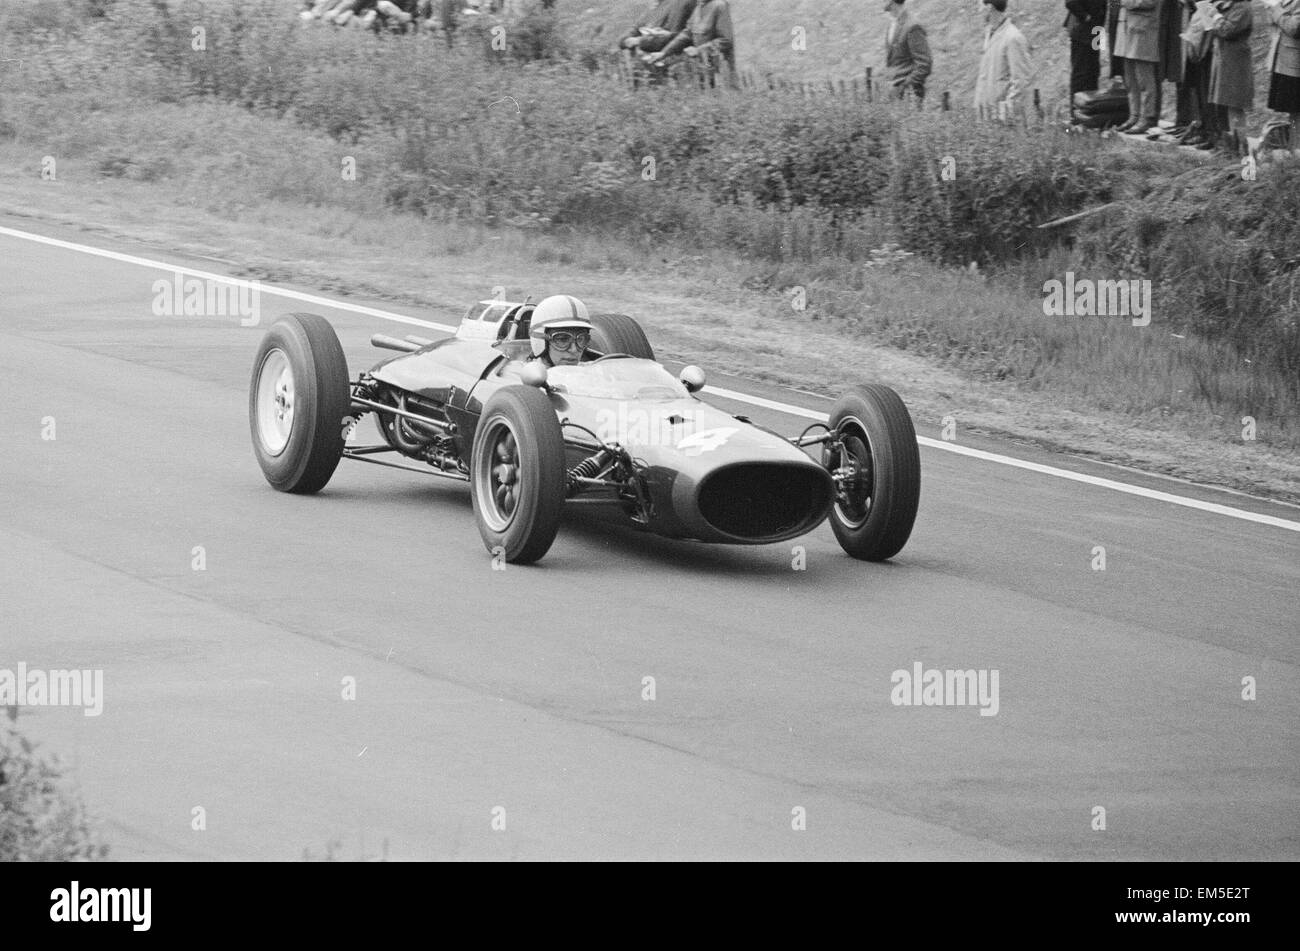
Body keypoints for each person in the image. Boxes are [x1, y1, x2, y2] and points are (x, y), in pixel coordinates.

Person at [645, 0, 736, 88]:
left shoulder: (720, 5)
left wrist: (698, 50)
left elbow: (726, 40)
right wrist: (663, 53)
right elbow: (687, 34)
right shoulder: (699, 6)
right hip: (702, 69)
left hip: (719, 73)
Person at [1207, 0, 1254, 155]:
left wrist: (1214, 16)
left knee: (1234, 105)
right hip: (1224, 58)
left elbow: (1227, 30)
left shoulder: (1243, 7)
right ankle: (1229, 146)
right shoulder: (1228, 5)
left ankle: (1239, 147)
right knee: (1223, 103)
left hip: (1235, 62)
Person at [974, 0, 1033, 121]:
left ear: (989, 7)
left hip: (1002, 122)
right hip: (986, 116)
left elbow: (1021, 81)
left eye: (980, 6)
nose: (978, 11)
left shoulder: (1013, 38)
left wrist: (1006, 114)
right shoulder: (990, 34)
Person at [1114, 0, 1160, 133]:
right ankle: (1134, 115)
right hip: (1126, 29)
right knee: (1130, 78)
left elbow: (1150, 2)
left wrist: (1126, 2)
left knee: (1144, 78)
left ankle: (1146, 117)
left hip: (1143, 30)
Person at [1263, 0, 1300, 155]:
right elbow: (1275, 25)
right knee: (1292, 109)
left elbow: (1294, 28)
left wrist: (1276, 8)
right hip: (1285, 61)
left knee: (1296, 109)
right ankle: (1294, 148)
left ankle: (1296, 148)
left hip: (1295, 63)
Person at [884, 0, 933, 105]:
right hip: (895, 94)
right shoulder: (893, 24)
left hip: (909, 96)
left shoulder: (913, 26)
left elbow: (924, 65)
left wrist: (904, 87)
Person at [529, 296, 595, 367]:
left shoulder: (592, 371)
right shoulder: (520, 374)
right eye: (563, 339)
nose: (574, 350)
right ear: (541, 341)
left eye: (581, 339)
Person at [618, 0, 697, 55]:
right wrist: (625, 39)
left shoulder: (681, 3)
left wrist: (639, 41)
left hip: (671, 57)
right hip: (654, 57)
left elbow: (671, 37)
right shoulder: (658, 5)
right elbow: (639, 25)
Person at [1065, 0, 1107, 95]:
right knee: (1080, 72)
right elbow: (1070, 2)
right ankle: (1075, 106)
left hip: (1097, 32)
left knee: (1094, 71)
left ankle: (1091, 104)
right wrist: (1085, 17)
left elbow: (1113, 4)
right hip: (1083, 33)